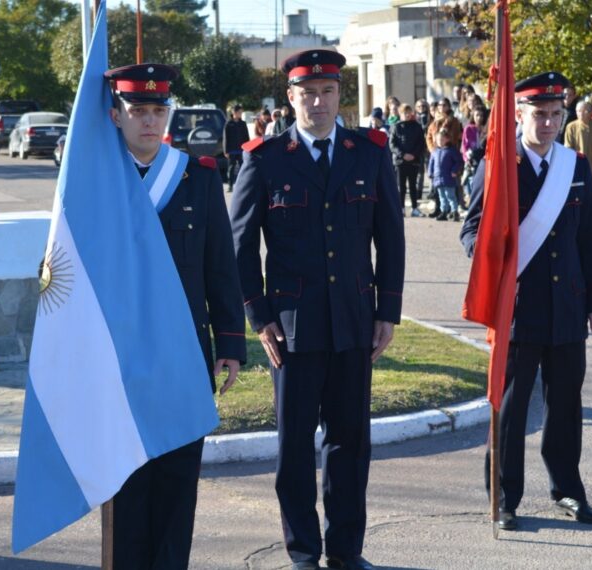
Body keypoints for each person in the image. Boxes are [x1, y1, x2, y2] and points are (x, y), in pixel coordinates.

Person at [230, 49, 405, 570]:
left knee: (351, 444)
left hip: (354, 323)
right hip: (292, 331)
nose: (319, 102)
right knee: (295, 449)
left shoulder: (369, 152)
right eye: (308, 92)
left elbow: (390, 240)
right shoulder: (264, 158)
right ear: (291, 98)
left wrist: (387, 312)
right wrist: (260, 319)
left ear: (339, 96)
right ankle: (304, 551)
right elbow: (240, 248)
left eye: (328, 91)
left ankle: (347, 551)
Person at [103, 63, 247, 569]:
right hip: (116, 359)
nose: (149, 120)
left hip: (184, 356)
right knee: (126, 480)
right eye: (137, 109)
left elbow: (220, 268)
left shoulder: (196, 177)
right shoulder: (94, 180)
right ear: (115, 114)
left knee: (177, 479)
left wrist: (230, 343)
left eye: (158, 110)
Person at [460, 71, 592, 533]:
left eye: (555, 114)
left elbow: (589, 241)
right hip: (518, 310)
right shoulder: (498, 166)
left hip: (567, 307)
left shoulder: (574, 166)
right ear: (518, 114)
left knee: (565, 404)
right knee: (512, 407)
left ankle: (567, 489)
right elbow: (471, 231)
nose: (547, 123)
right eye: (539, 114)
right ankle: (504, 497)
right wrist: (494, 258)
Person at [565, 99, 592, 214]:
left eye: (584, 111)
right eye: (578, 111)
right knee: (579, 187)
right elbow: (568, 147)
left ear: (591, 112)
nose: (581, 113)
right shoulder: (571, 127)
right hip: (577, 163)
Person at [390, 103, 426, 216]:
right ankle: (401, 208)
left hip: (413, 161)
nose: (407, 115)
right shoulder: (396, 127)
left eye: (409, 112)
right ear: (400, 114)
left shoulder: (417, 126)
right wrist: (402, 154)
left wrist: (413, 155)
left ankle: (415, 207)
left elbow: (421, 143)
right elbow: (392, 144)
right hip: (400, 162)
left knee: (412, 186)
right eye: (404, 113)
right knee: (401, 186)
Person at [427, 130, 462, 221]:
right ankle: (444, 212)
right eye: (438, 139)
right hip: (438, 178)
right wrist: (430, 172)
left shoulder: (452, 150)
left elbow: (459, 161)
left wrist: (454, 171)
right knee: (441, 197)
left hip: (449, 178)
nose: (440, 141)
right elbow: (431, 163)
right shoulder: (435, 151)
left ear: (447, 139)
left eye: (442, 139)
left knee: (450, 196)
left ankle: (454, 212)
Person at [224, 104, 250, 191]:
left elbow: (246, 137)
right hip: (231, 150)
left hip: (241, 149)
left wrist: (248, 148)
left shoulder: (243, 124)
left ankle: (243, 184)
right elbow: (225, 138)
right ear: (234, 113)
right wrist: (226, 150)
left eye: (241, 112)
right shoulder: (228, 123)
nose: (240, 114)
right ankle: (230, 185)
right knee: (231, 168)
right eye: (239, 112)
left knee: (243, 167)